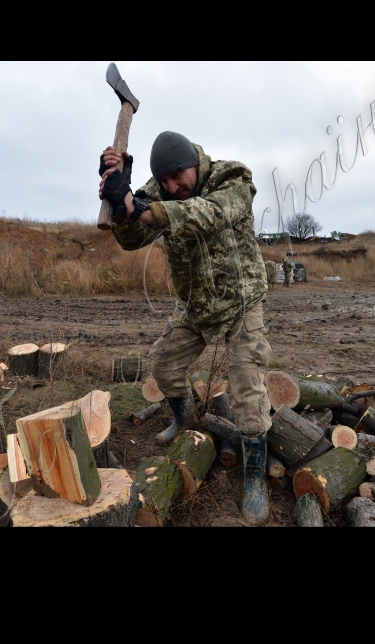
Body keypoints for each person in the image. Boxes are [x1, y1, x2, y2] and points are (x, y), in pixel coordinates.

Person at [98, 131, 273, 525]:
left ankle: (255, 478)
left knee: (247, 388)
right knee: (163, 366)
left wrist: (141, 208)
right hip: (196, 306)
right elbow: (131, 239)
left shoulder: (232, 178)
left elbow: (212, 215)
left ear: (194, 162)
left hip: (243, 301)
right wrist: (120, 202)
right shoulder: (157, 190)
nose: (175, 187)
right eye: (167, 182)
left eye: (180, 177)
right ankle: (182, 419)